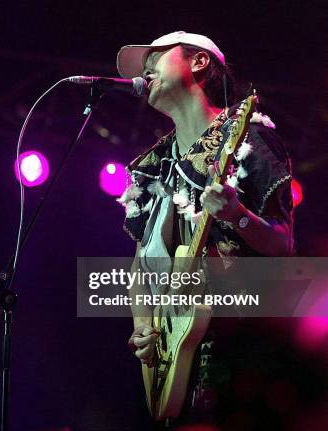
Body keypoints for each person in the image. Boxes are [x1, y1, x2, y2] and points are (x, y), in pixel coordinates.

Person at [115, 31, 294, 426]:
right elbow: (139, 268)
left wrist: (236, 214)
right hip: (172, 354)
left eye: (157, 56)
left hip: (237, 355)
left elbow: (282, 245)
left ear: (199, 63)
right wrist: (144, 326)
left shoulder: (249, 138)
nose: (146, 68)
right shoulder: (153, 166)